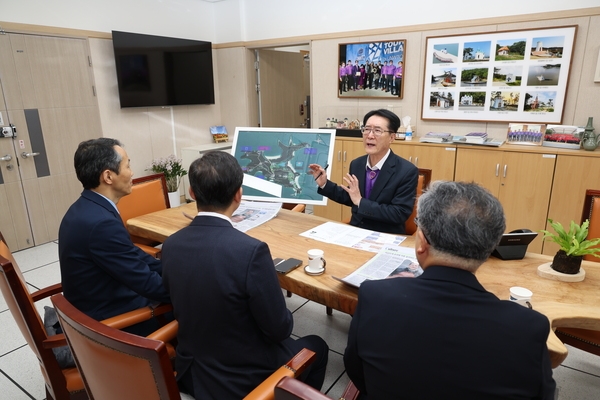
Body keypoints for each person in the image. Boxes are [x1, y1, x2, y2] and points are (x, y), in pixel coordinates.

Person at [344, 181, 556, 399]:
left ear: (422, 242)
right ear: (489, 248)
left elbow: (357, 372)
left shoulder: (375, 297)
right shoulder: (528, 328)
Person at [161, 151, 329, 399]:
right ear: (238, 195)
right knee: (319, 345)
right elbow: (279, 329)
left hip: (193, 374)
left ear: (193, 193)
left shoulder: (171, 245)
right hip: (245, 382)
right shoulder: (251, 252)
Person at [58, 138, 170, 336]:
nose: (132, 172)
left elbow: (131, 255)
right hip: (110, 323)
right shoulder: (101, 224)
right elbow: (149, 285)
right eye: (127, 165)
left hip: (96, 302)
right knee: (202, 308)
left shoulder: (86, 207)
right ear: (108, 176)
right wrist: (193, 285)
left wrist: (172, 267)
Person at [309, 109, 418, 234]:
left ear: (392, 137)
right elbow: (351, 197)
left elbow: (399, 213)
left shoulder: (406, 171)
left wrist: (360, 202)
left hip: (386, 236)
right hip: (356, 231)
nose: (370, 135)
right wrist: (324, 183)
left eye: (377, 130)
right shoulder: (357, 164)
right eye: (366, 129)